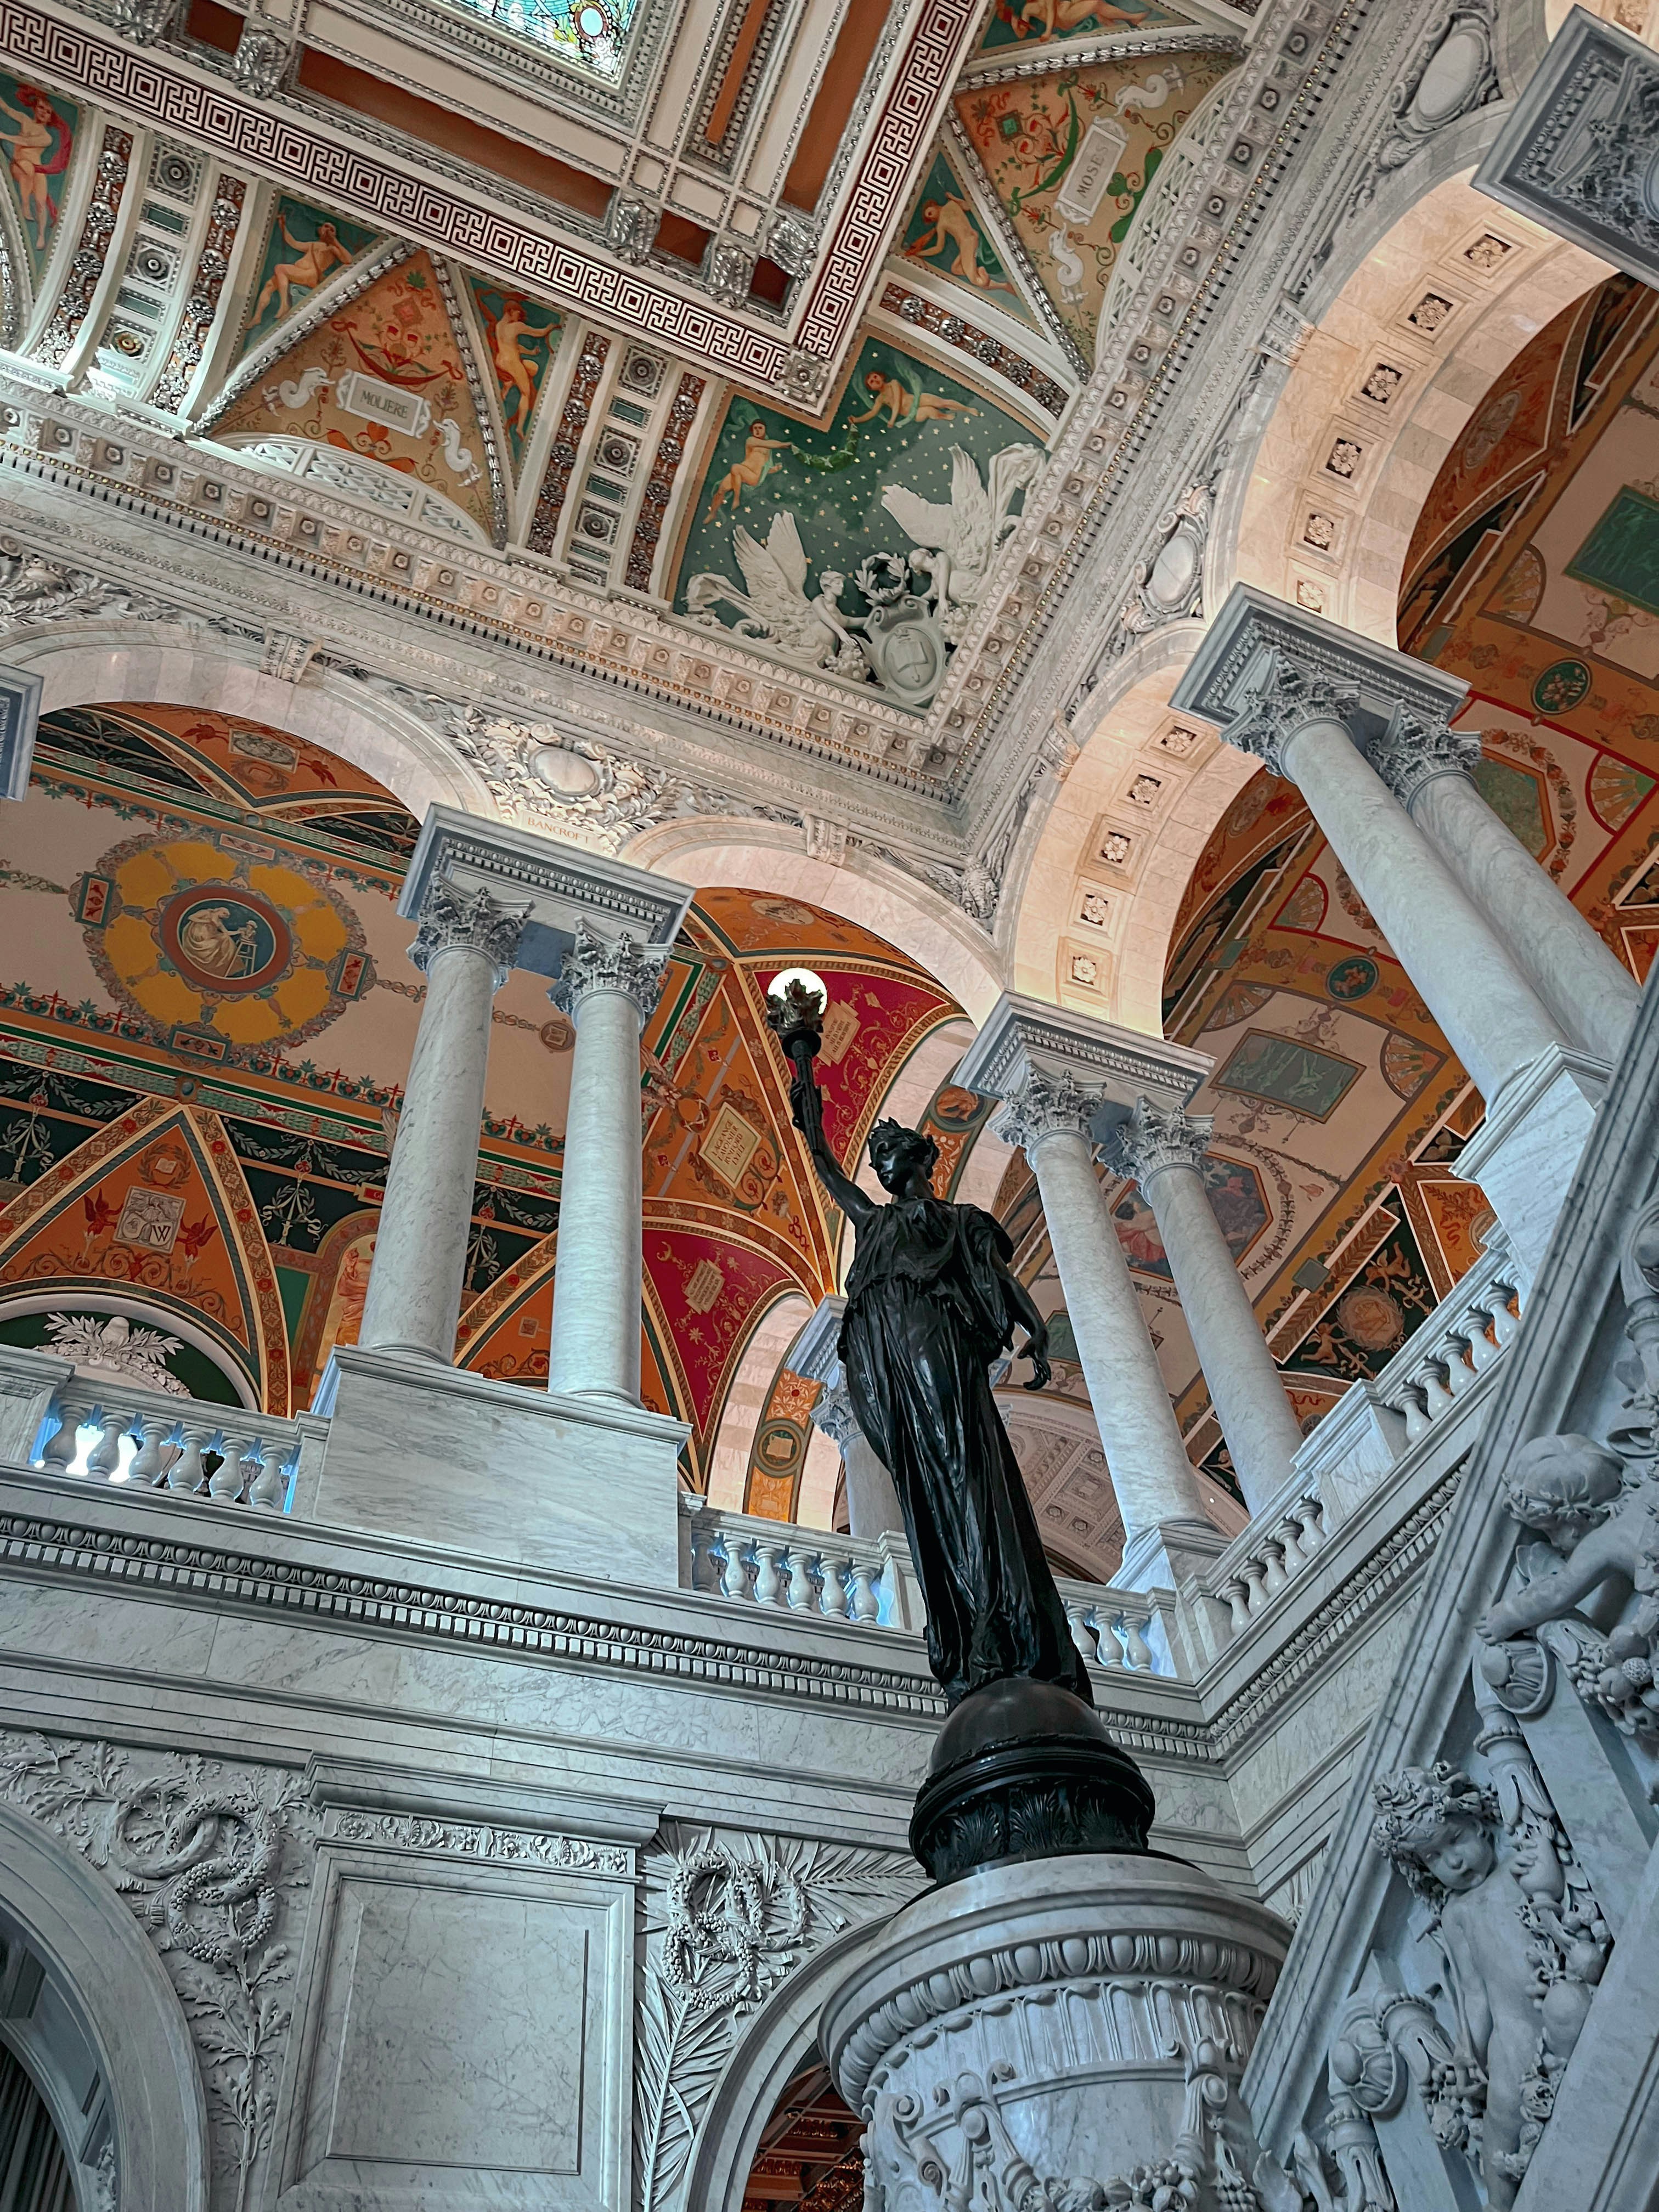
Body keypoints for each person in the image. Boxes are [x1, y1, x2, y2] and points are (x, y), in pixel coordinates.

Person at [789, 1061, 1091, 1708]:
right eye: (876, 1159)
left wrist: (1036, 1328)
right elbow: (825, 1166)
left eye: (890, 1153)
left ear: (919, 1157)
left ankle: (997, 1617)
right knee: (927, 1479)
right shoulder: (872, 1221)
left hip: (937, 1345)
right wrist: (805, 1081)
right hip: (888, 1361)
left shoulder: (958, 1221)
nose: (881, 1165)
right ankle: (968, 1613)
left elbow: (1000, 1280)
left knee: (961, 1466)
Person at [0, 86, 71, 253]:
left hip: (37, 168)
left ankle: (41, 235)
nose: (44, 113)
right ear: (34, 108)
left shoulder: (47, 137)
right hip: (20, 163)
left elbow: (26, 142)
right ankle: (25, 204)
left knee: (41, 202)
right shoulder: (25, 120)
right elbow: (7, 110)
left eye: (48, 111)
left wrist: (4, 136)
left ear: (51, 117)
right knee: (28, 170)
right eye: (41, 108)